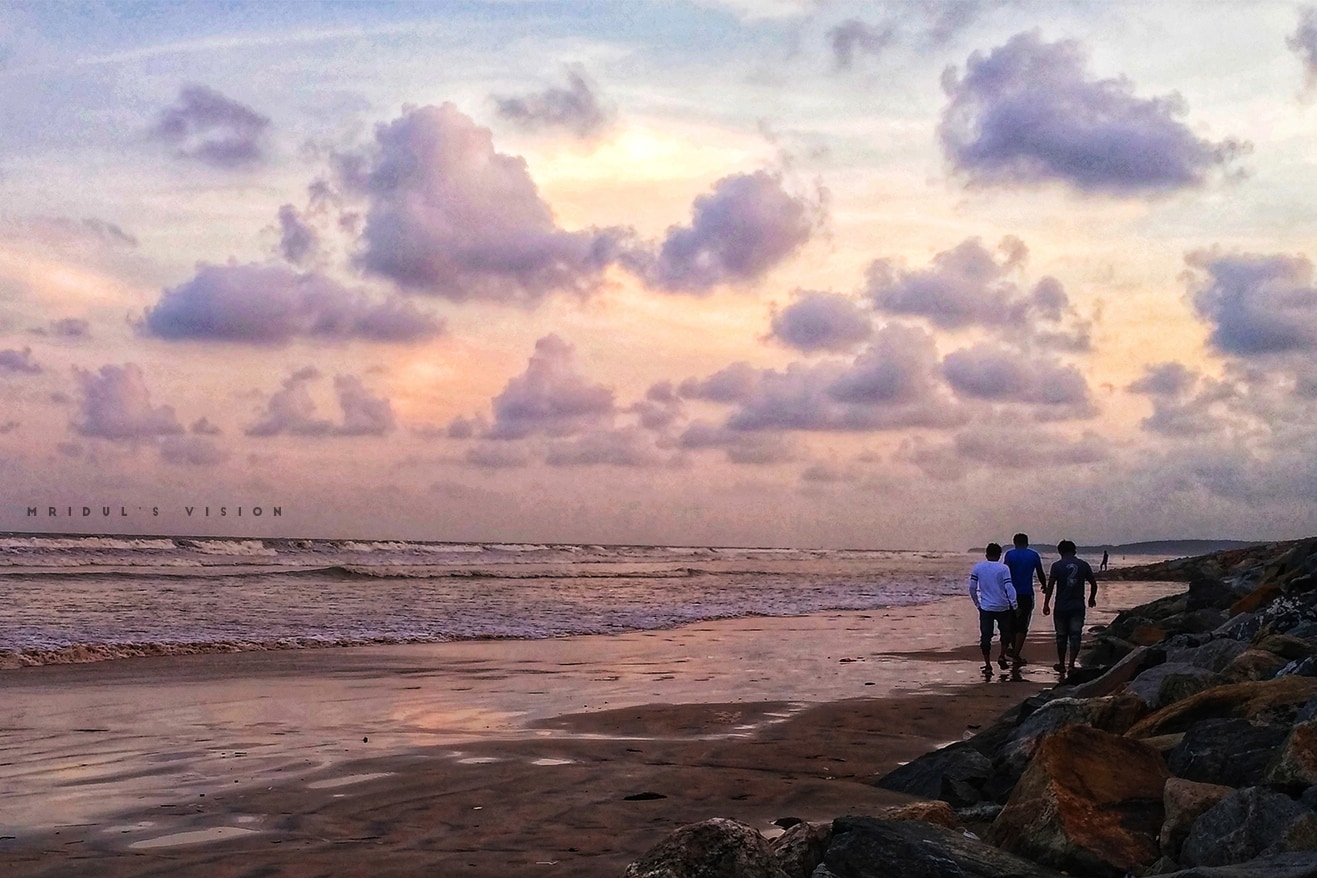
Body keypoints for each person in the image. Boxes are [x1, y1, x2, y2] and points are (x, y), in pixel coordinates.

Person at [1042, 539, 1098, 681]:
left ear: (1060, 552)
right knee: (1075, 634)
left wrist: (1046, 603)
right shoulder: (1083, 565)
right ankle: (1072, 663)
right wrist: (1091, 598)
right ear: (1074, 551)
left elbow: (1050, 587)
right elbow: (1093, 583)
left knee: (1061, 636)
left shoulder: (1056, 566)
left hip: (1061, 606)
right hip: (1077, 605)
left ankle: (1061, 663)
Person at [968, 542, 1018, 674]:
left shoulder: (978, 567)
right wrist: (1014, 604)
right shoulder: (1003, 569)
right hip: (1003, 606)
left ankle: (988, 664)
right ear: (999, 555)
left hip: (986, 607)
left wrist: (977, 604)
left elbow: (972, 588)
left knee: (986, 636)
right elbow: (1009, 587)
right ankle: (1001, 655)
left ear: (986, 554)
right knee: (1005, 633)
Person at [1003, 533, 1046, 665]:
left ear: (1014, 542)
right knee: (1022, 624)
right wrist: (1044, 585)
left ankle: (1014, 650)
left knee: (1011, 623)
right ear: (1027, 543)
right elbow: (1040, 572)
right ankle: (1016, 654)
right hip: (1026, 593)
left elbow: (1004, 572)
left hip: (1011, 594)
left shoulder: (1009, 555)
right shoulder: (1033, 555)